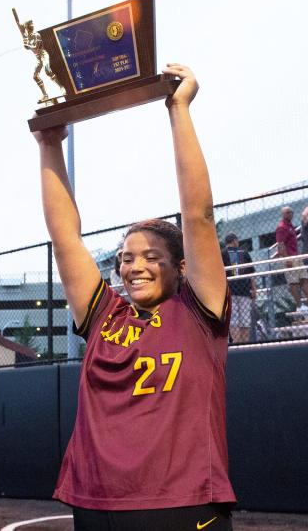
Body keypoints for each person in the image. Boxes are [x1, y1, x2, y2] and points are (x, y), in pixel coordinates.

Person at [36, 64, 235, 530]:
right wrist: (48, 144)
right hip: (97, 504)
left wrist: (178, 109)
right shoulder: (106, 314)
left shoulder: (198, 311)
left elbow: (199, 217)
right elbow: (65, 238)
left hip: (181, 505)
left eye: (149, 256)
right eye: (126, 258)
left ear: (180, 266)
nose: (134, 266)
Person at [276, 206, 308, 312]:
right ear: (283, 214)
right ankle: (300, 307)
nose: (290, 214)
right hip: (289, 257)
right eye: (287, 212)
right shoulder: (282, 227)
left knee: (304, 278)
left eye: (291, 212)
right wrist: (286, 258)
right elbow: (280, 244)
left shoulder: (290, 225)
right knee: (294, 282)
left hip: (296, 256)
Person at [222, 233, 256, 343]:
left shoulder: (221, 254)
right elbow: (251, 273)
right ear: (235, 241)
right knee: (245, 320)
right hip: (244, 291)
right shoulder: (244, 253)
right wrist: (254, 289)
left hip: (228, 291)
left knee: (233, 321)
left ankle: (237, 344)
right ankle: (245, 343)